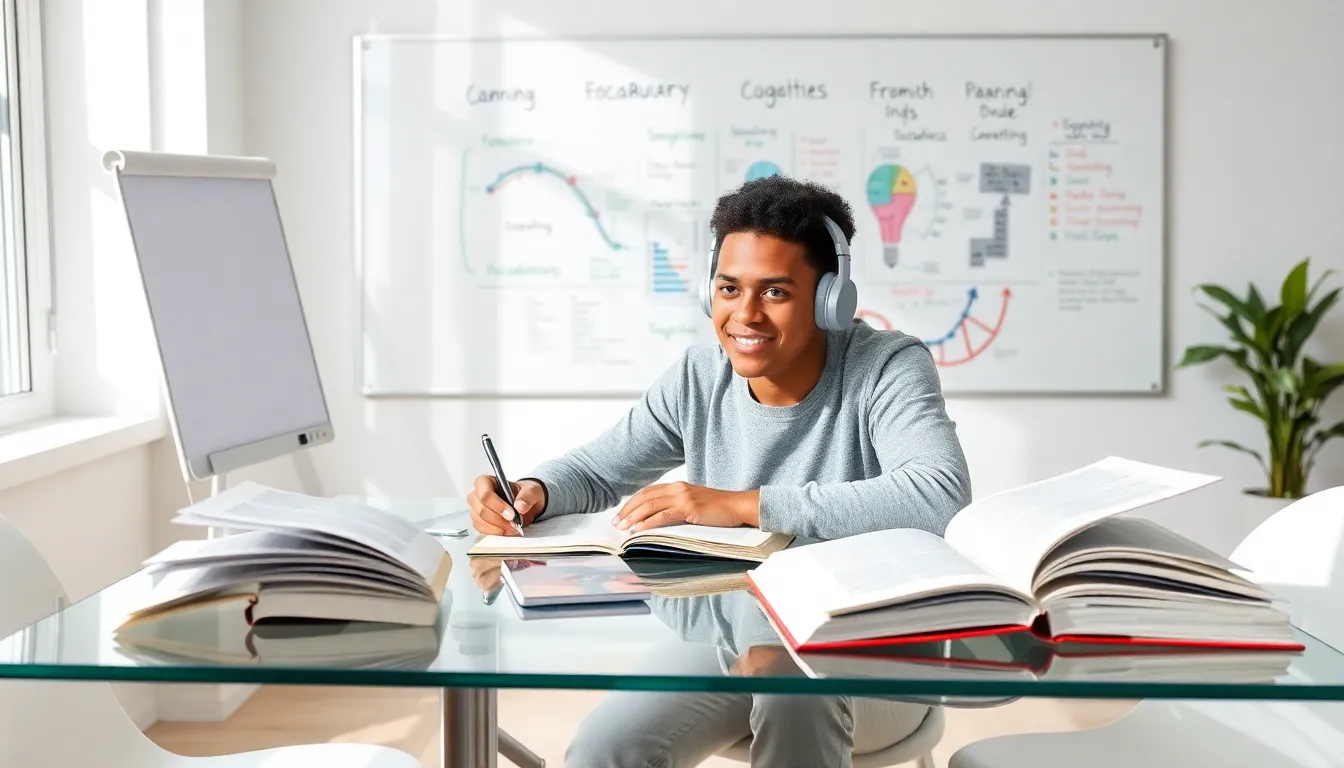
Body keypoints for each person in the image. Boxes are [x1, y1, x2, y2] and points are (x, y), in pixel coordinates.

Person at [466, 175, 972, 766]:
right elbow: (597, 470)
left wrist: (741, 504)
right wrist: (533, 491)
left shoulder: (886, 368)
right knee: (607, 748)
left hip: (870, 657)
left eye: (775, 292)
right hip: (727, 640)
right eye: (729, 287)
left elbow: (939, 496)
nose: (745, 314)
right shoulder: (701, 376)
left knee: (788, 691)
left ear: (830, 299)